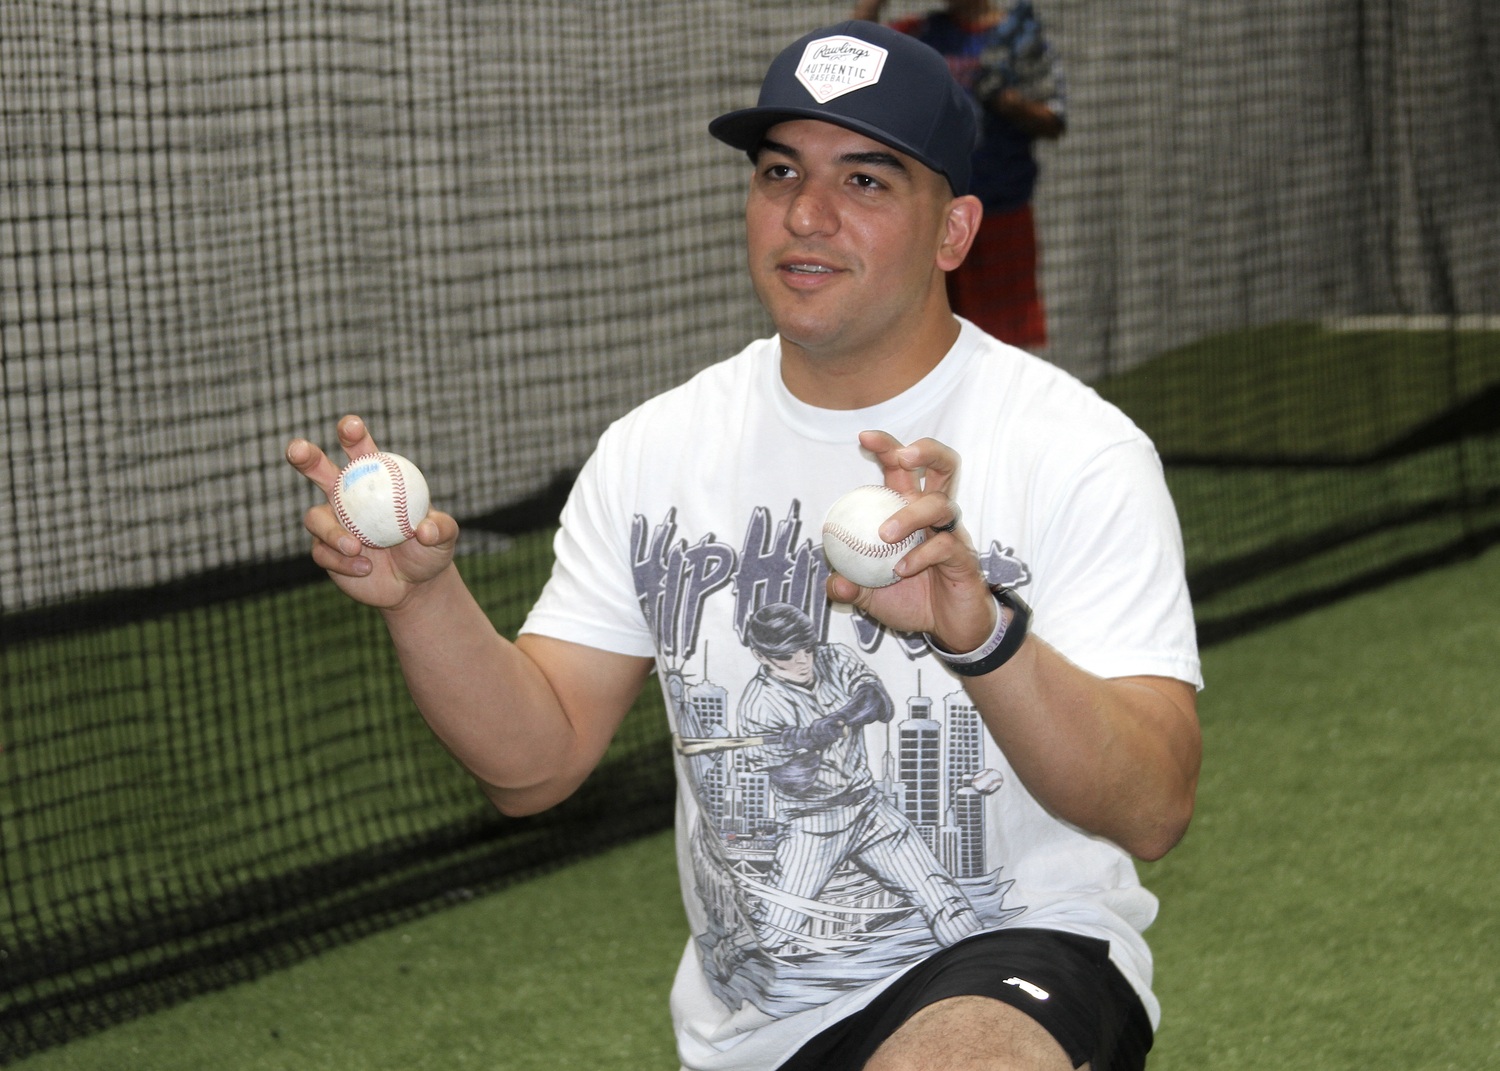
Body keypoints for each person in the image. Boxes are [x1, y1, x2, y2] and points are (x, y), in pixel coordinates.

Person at [286, 20, 1200, 1071]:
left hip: (1022, 959)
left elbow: (1156, 806)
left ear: (953, 231)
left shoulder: (1076, 450)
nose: (806, 215)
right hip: (762, 1017)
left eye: (865, 181)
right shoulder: (656, 451)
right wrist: (421, 601)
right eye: (779, 173)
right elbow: (533, 769)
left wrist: (982, 634)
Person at [854, 0, 1066, 351]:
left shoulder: (1017, 35)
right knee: (931, 343)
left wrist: (1009, 103)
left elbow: (1054, 120)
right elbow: (857, 54)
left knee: (1003, 347)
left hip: (1000, 211)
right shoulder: (923, 34)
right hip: (934, 217)